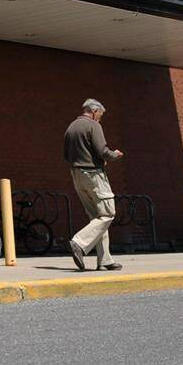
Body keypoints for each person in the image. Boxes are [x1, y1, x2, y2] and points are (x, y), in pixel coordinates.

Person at [63, 98, 124, 271]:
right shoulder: (93, 126)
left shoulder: (71, 127)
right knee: (108, 213)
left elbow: (66, 155)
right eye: (100, 115)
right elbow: (102, 151)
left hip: (76, 175)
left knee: (97, 218)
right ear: (94, 111)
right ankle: (79, 242)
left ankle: (105, 260)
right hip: (93, 175)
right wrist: (114, 155)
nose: (100, 119)